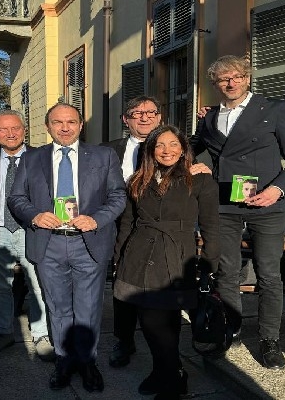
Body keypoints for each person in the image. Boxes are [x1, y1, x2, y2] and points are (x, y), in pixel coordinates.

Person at [190, 55, 285, 370]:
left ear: (247, 78)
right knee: (227, 273)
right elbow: (192, 146)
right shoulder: (209, 116)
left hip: (267, 204)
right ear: (215, 84)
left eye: (237, 76)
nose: (231, 83)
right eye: (224, 79)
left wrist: (277, 190)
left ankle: (269, 340)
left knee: (269, 274)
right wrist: (194, 165)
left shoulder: (275, 110)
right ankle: (230, 330)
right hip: (224, 205)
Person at [8, 103, 126, 392]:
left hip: (88, 243)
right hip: (48, 243)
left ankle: (87, 362)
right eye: (57, 122)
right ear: (47, 126)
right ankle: (64, 361)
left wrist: (95, 219)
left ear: (80, 125)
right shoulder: (31, 158)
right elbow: (16, 198)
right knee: (58, 307)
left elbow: (118, 196)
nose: (64, 127)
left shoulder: (104, 156)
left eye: (71, 122)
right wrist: (35, 215)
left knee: (87, 308)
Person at [114, 125, 220, 398]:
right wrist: (119, 257)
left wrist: (209, 264)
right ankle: (165, 371)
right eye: (160, 145)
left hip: (175, 256)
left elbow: (210, 227)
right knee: (151, 320)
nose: (167, 150)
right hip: (138, 254)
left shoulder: (199, 180)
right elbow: (127, 222)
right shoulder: (138, 180)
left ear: (184, 148)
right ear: (150, 149)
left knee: (158, 320)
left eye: (174, 144)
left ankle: (172, 377)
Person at [0, 110, 54, 361]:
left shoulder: (43, 158)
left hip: (32, 230)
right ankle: (3, 332)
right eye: (3, 129)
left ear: (25, 129)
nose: (10, 134)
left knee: (39, 285)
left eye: (16, 128)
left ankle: (41, 335)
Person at [99, 95, 162, 369]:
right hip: (119, 222)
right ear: (126, 119)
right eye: (137, 113)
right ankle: (123, 340)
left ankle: (159, 339)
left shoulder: (171, 146)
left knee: (157, 281)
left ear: (159, 117)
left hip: (156, 225)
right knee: (122, 281)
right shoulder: (107, 150)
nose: (144, 117)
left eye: (150, 112)